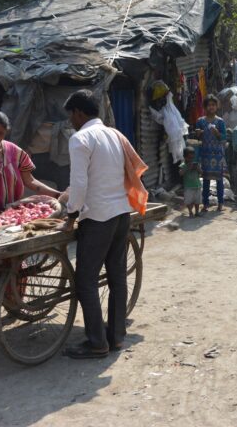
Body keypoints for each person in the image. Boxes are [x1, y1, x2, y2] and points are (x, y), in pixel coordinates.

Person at [61, 90, 147, 359]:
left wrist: (71, 215)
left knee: (85, 280)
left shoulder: (80, 139)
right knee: (117, 276)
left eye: (71, 117)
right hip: (121, 213)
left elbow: (80, 185)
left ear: (78, 113)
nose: (71, 122)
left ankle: (97, 342)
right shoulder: (115, 134)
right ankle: (116, 336)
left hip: (98, 217)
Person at [0, 110, 62, 330]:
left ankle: (13, 303)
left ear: (6, 132)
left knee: (12, 261)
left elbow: (30, 180)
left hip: (8, 218)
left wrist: (58, 196)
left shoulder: (15, 152)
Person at [194, 94, 227, 212]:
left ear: (216, 106)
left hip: (218, 154)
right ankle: (206, 204)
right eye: (209, 105)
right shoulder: (200, 121)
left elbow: (224, 138)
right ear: (205, 107)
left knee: (219, 180)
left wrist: (217, 133)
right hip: (205, 154)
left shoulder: (220, 122)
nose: (211, 107)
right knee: (206, 180)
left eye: (213, 105)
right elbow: (197, 138)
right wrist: (198, 133)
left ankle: (220, 203)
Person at [180, 147, 202, 217]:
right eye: (189, 158)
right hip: (188, 187)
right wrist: (187, 167)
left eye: (192, 158)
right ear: (184, 157)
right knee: (188, 201)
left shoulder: (196, 164)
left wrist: (198, 169)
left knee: (197, 201)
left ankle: (197, 212)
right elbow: (180, 173)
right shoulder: (183, 165)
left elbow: (201, 172)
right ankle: (190, 212)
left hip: (197, 185)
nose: (191, 160)